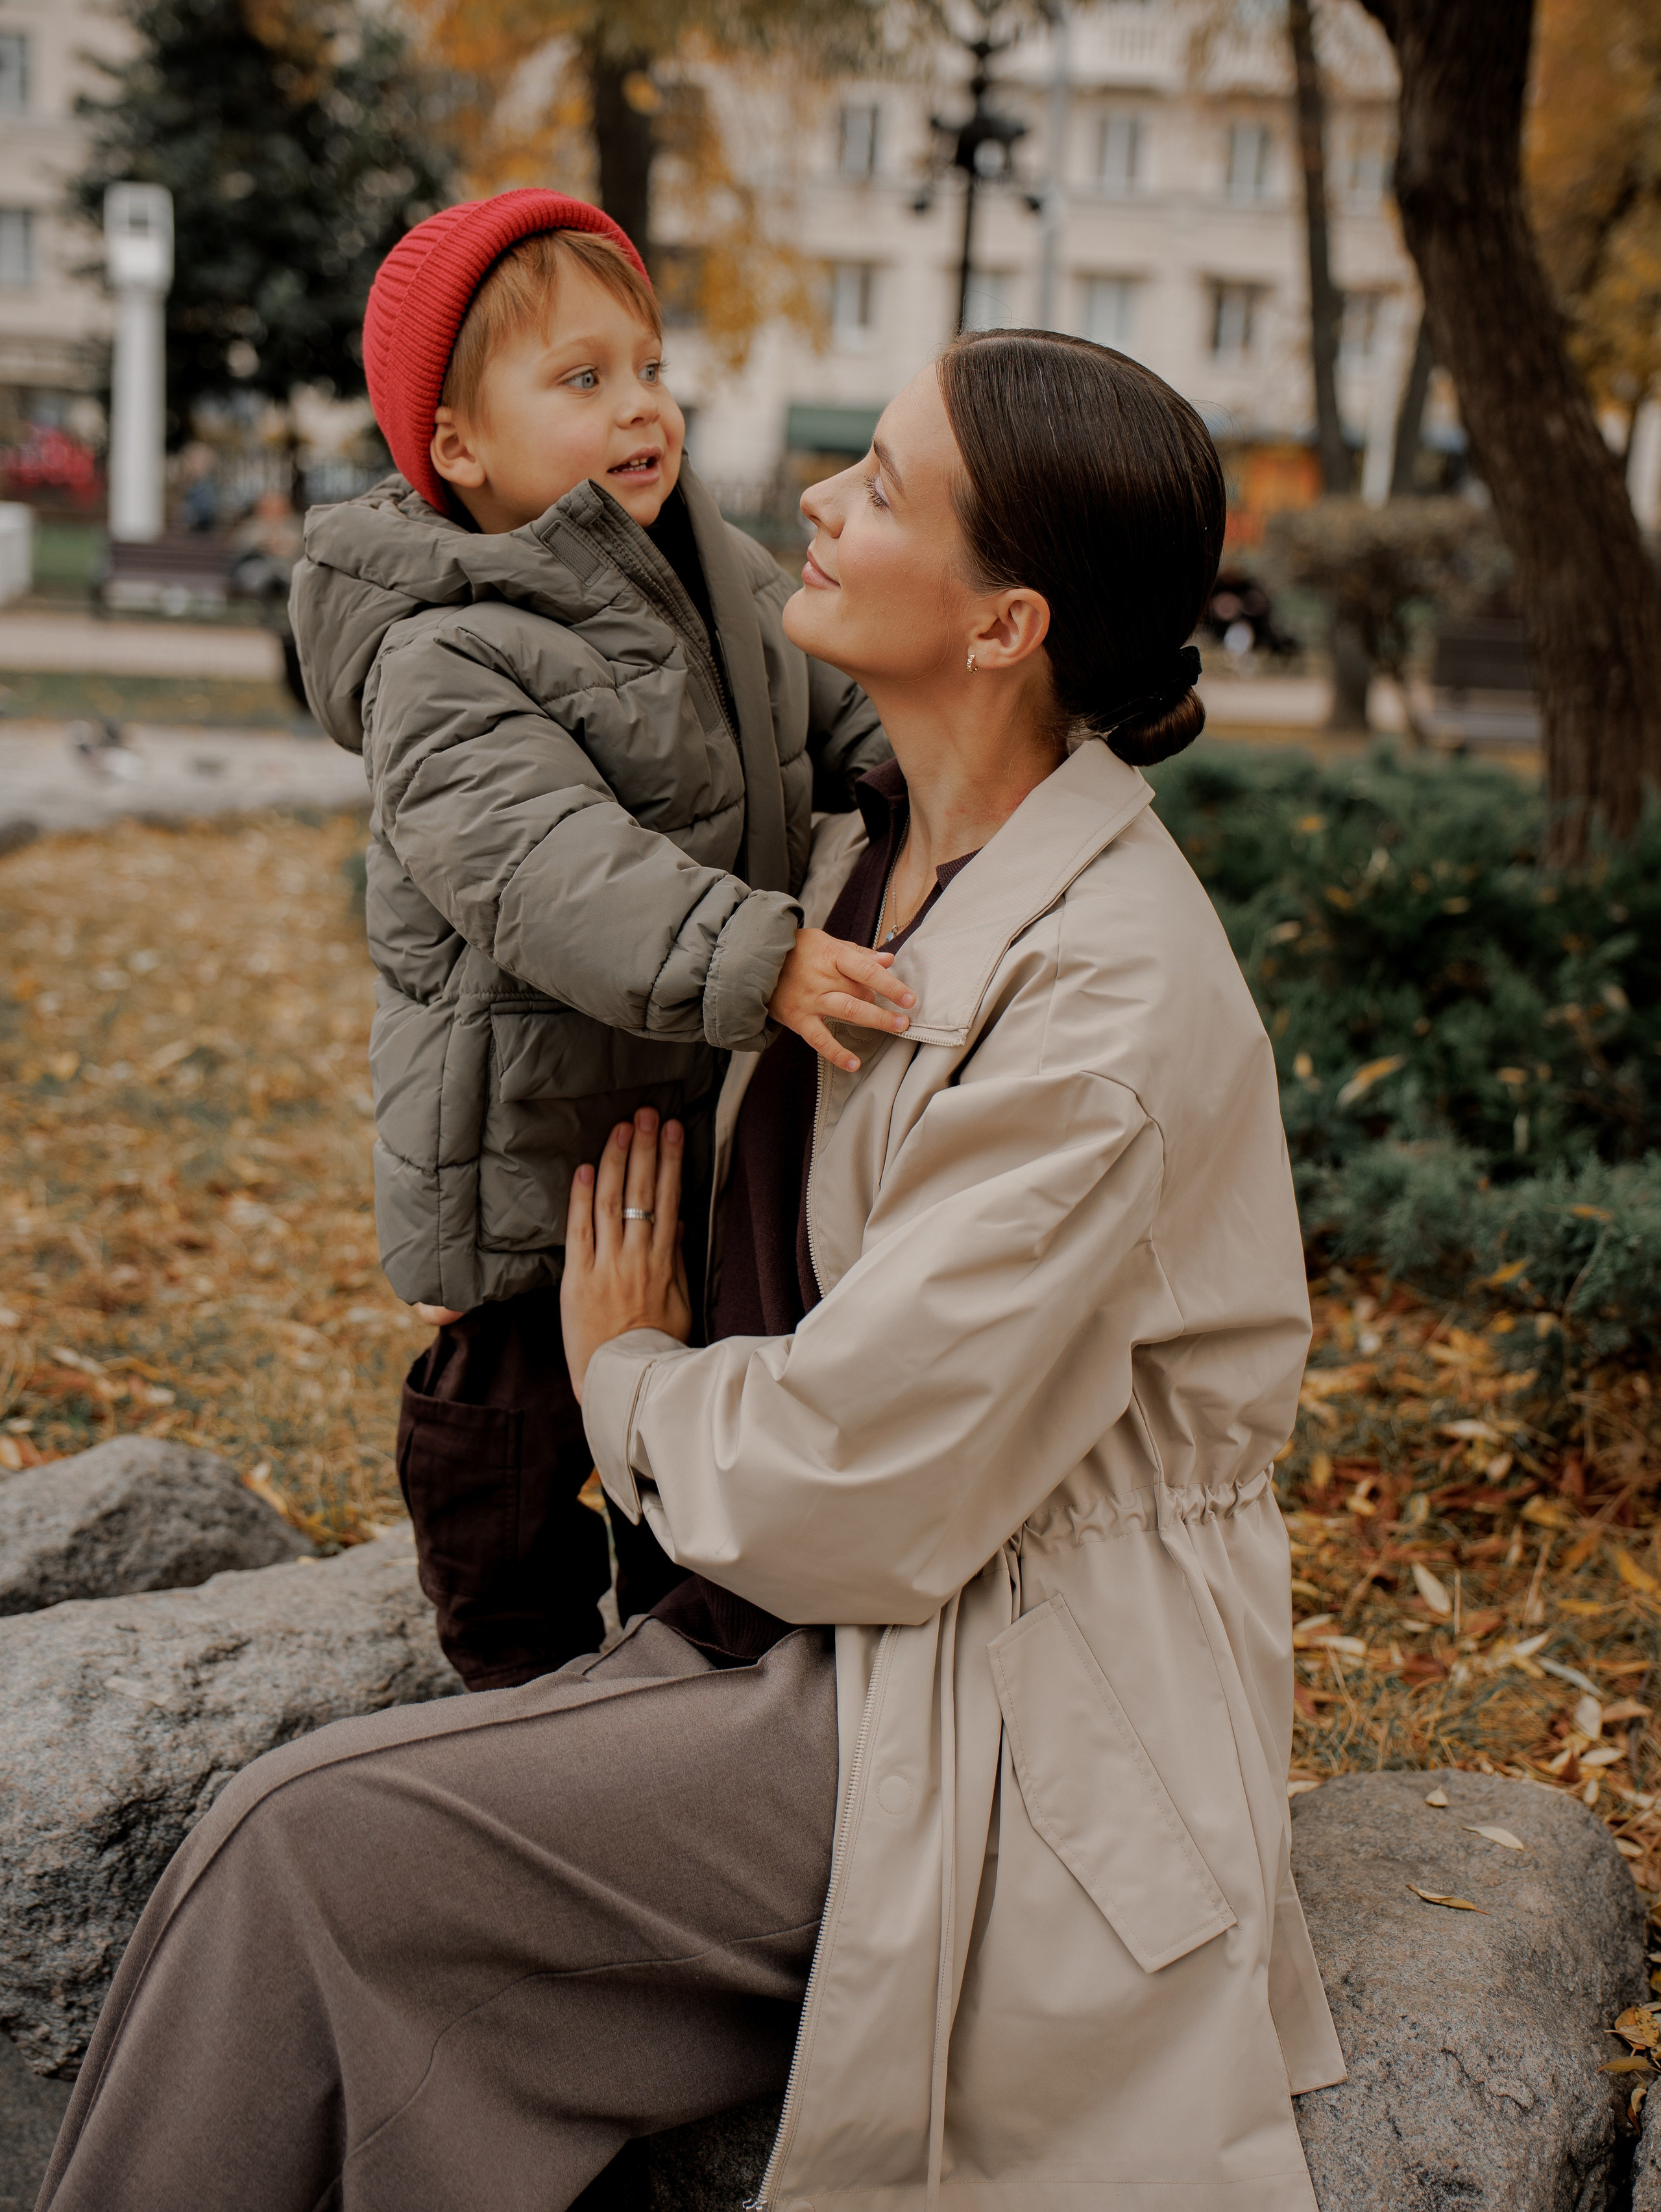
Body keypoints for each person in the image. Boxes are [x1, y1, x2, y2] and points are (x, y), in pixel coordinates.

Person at [38, 331, 1345, 2212]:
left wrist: (622, 1370)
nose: (812, 496)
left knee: (297, 1843)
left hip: (991, 1692)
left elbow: (857, 1486)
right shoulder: (858, 847)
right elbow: (532, 785)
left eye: (879, 486)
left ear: (1003, 627)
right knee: (312, 1878)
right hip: (816, 1629)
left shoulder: (1104, 1011)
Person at [289, 189, 903, 1691]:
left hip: (693, 1116)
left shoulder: (717, 572)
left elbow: (838, 711)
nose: (639, 406)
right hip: (525, 1150)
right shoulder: (443, 652)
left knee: (681, 1435)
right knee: (507, 1442)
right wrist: (760, 955)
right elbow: (552, 869)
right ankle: (512, 1680)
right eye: (581, 378)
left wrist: (922, 772)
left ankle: (668, 1676)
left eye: (648, 367)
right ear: (457, 448)